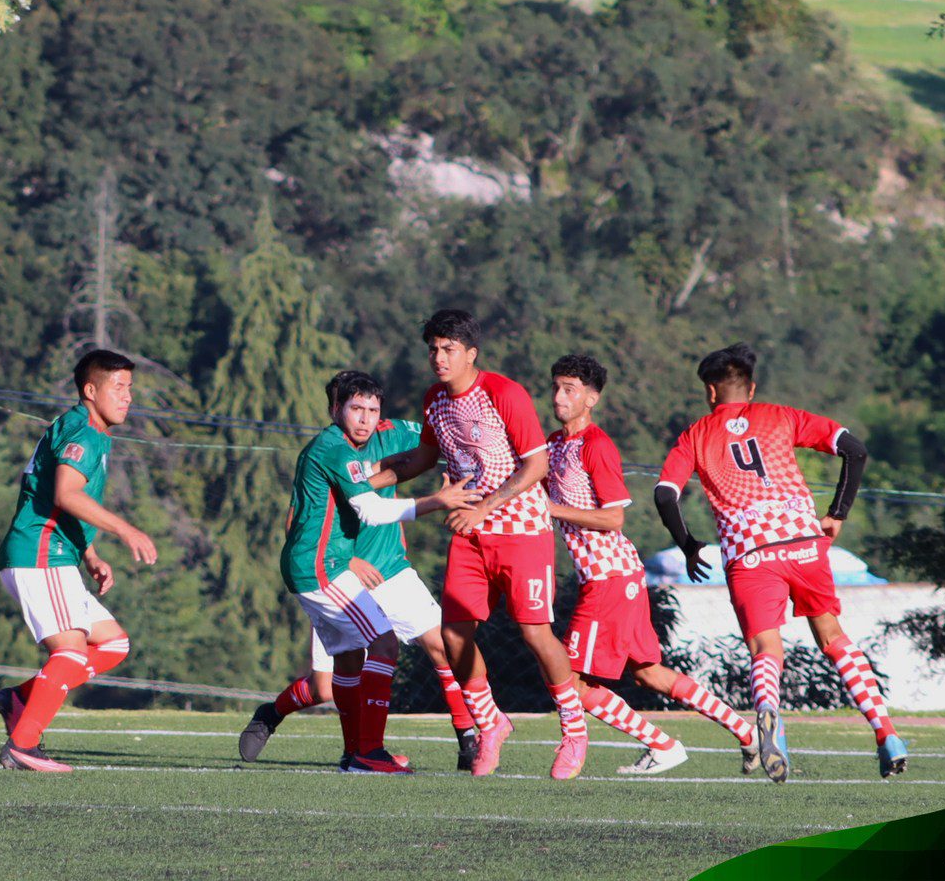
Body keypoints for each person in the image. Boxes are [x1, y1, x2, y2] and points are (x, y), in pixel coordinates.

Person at [655, 343, 906, 782]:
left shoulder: (695, 434)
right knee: (832, 636)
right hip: (804, 543)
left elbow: (664, 494)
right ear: (749, 389)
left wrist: (689, 545)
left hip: (750, 555)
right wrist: (837, 515)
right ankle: (887, 735)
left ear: (711, 393)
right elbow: (855, 449)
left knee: (765, 648)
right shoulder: (781, 415)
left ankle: (771, 716)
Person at [239, 378, 482, 770]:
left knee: (367, 656)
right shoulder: (335, 450)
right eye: (356, 409)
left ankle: (368, 752)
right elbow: (368, 510)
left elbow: (434, 446)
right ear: (336, 409)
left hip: (337, 568)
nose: (365, 419)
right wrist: (437, 501)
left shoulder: (380, 438)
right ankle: (366, 752)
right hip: (324, 569)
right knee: (378, 650)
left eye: (372, 410)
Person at [386, 309, 585, 778]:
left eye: (449, 349)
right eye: (433, 348)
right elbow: (424, 457)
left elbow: (535, 466)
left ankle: (574, 731)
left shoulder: (503, 392)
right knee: (454, 635)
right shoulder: (434, 399)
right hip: (471, 535)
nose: (439, 357)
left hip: (522, 531)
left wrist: (484, 506)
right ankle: (491, 723)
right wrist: (369, 478)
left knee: (536, 634)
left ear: (471, 353)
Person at [543, 353, 761, 776]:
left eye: (569, 389)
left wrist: (552, 507)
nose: (559, 396)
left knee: (570, 680)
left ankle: (662, 745)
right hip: (613, 577)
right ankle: (746, 731)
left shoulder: (596, 445)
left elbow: (613, 517)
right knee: (649, 675)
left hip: (609, 576)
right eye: (556, 387)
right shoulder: (554, 444)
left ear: (592, 398)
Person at [0, 349, 158, 772]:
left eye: (130, 388)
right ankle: (22, 745)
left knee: (113, 643)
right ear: (90, 390)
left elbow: (58, 499)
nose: (127, 397)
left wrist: (90, 553)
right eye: (117, 388)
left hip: (56, 554)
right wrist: (126, 529)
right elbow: (66, 494)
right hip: (39, 554)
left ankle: (22, 699)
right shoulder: (82, 431)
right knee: (69, 650)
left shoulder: (89, 432)